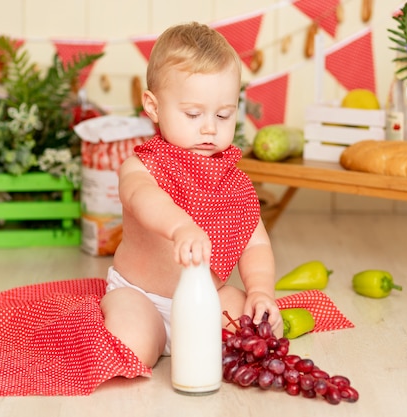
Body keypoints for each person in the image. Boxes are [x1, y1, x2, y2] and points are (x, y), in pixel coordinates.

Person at [100, 22, 282, 368]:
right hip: (142, 296)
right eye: (193, 114)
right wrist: (181, 227)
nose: (210, 127)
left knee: (258, 329)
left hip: (205, 300)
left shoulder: (234, 183)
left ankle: (200, 340)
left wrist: (261, 290)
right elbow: (145, 199)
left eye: (223, 114)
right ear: (153, 107)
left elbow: (255, 243)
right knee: (132, 343)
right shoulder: (143, 165)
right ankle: (149, 337)